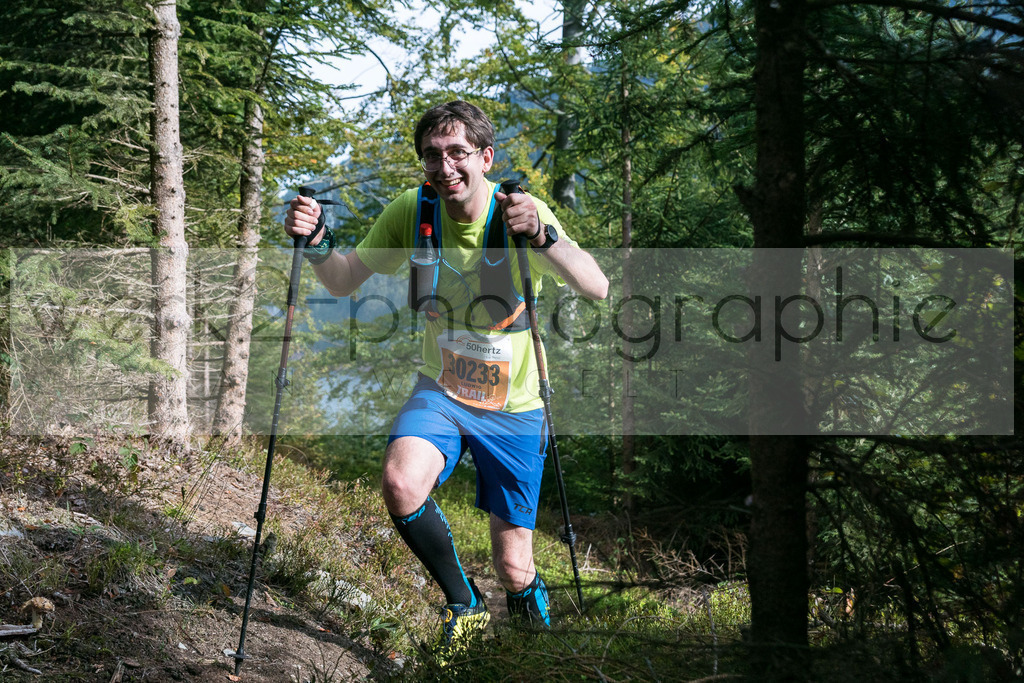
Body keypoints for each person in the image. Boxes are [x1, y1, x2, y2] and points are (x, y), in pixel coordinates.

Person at [284, 100, 608, 655]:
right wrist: (317, 243)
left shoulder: (519, 210)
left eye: (458, 152)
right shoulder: (414, 209)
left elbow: (596, 286)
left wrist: (542, 236)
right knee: (401, 483)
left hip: (515, 405)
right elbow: (342, 280)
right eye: (432, 155)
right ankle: (465, 604)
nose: (445, 166)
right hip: (441, 389)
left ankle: (535, 654)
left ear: (485, 157)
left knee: (514, 566)